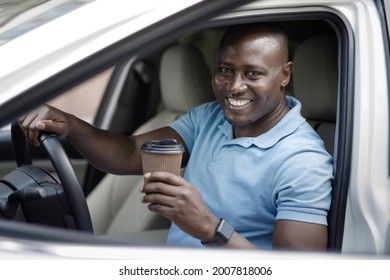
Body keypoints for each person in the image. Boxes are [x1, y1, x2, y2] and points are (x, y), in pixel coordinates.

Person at [19, 22, 333, 251]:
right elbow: (130, 152)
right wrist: (71, 125)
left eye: (252, 74)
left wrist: (211, 229)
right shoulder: (209, 117)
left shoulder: (302, 161)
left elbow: (296, 273)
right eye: (225, 70)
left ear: (285, 75)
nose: (234, 86)